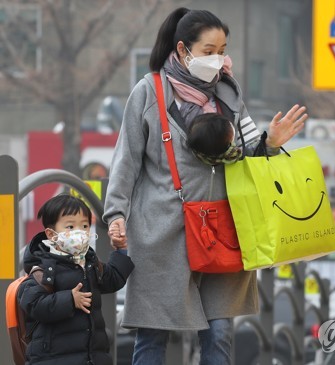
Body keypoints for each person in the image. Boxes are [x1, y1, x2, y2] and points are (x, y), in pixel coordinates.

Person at [103, 7, 307, 365]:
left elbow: (246, 160)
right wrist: (116, 214)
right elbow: (126, 161)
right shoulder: (149, 92)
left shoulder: (228, 94)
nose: (218, 59)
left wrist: (271, 142)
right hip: (161, 233)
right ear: (183, 50)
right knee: (152, 334)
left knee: (220, 333)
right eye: (208, 51)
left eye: (222, 49)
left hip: (223, 230)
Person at [18, 194, 135, 365]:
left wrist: (121, 250)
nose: (79, 232)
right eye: (70, 226)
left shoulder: (88, 262)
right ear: (51, 234)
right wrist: (70, 299)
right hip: (53, 358)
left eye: (85, 225)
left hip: (92, 357)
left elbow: (112, 279)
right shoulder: (44, 268)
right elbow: (34, 305)